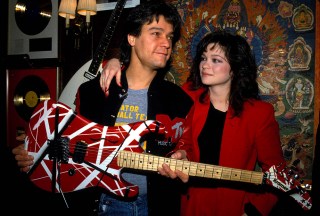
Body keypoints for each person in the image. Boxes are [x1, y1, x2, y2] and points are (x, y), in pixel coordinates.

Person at [12, 1, 193, 215]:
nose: (166, 43)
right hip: (105, 204)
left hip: (159, 206)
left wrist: (184, 156)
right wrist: (34, 152)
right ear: (131, 38)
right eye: (156, 33)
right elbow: (69, 143)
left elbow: (187, 146)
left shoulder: (179, 100)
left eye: (170, 37)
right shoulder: (92, 93)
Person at [100, 31, 286, 216]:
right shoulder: (187, 97)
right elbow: (146, 82)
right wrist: (116, 62)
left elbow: (279, 175)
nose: (205, 65)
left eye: (216, 60)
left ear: (236, 68)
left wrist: (252, 211)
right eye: (204, 58)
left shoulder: (259, 113)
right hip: (188, 206)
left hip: (233, 208)